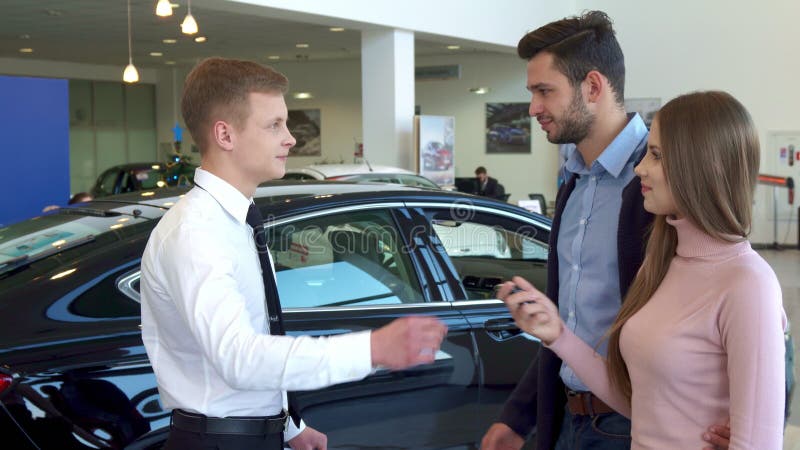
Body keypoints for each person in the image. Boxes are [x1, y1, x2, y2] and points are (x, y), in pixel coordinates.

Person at [139, 57, 448, 450]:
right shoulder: (196, 233)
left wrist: (286, 427)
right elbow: (239, 357)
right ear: (225, 135)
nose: (291, 139)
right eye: (274, 126)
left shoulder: (234, 222)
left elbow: (256, 334)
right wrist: (372, 348)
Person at [480, 11, 729, 450]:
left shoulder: (666, 182)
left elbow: (731, 298)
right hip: (567, 420)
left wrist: (737, 420)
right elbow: (569, 322)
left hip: (638, 426)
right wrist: (518, 417)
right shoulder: (574, 182)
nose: (534, 108)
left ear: (592, 87)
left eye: (544, 91)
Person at [502, 90, 786, 448]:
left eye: (656, 155)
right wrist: (557, 334)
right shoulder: (660, 262)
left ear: (701, 166)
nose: (640, 169)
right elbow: (641, 404)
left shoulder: (748, 283)